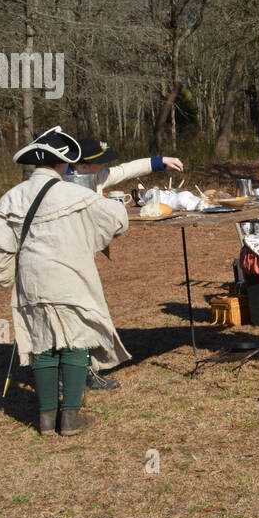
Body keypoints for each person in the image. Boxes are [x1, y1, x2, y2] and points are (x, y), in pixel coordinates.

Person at [0, 127, 129, 436]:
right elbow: (117, 220)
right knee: (75, 343)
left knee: (42, 344)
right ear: (62, 163)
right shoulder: (76, 194)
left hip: (31, 281)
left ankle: (47, 419)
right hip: (70, 277)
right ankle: (71, 418)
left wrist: (8, 278)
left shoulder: (11, 197)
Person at [68, 138, 183, 390]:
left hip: (83, 257)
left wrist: (159, 162)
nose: (105, 167)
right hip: (64, 260)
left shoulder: (95, 177)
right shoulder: (62, 184)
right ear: (83, 165)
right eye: (99, 163)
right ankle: (70, 376)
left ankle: (85, 371)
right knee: (77, 315)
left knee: (87, 314)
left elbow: (126, 170)